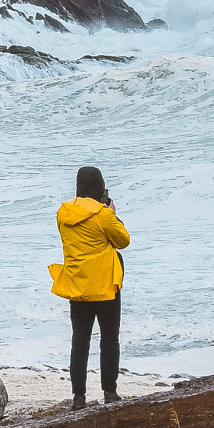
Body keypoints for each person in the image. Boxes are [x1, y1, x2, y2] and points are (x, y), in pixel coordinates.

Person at [48, 165, 130, 410]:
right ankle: (110, 392)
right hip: (105, 288)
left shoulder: (63, 214)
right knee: (109, 339)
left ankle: (79, 398)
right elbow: (123, 240)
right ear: (99, 189)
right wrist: (112, 213)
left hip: (78, 288)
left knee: (79, 342)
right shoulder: (104, 215)